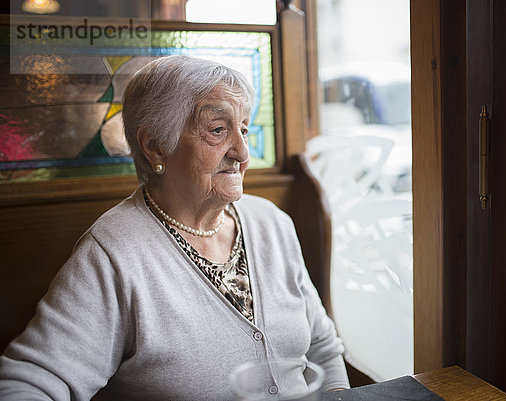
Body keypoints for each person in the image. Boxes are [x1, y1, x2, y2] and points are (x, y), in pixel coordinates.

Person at [0, 55, 349, 400]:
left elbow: (323, 347)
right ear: (154, 146)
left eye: (243, 128)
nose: (243, 153)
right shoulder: (113, 253)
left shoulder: (271, 223)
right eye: (217, 130)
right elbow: (28, 383)